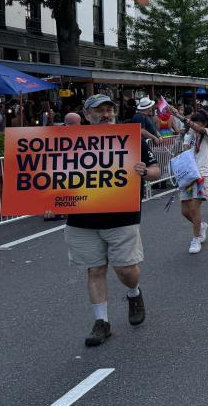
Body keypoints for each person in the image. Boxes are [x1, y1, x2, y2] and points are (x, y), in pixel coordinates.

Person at [66, 95, 160, 347]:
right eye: (100, 110)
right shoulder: (71, 142)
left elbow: (155, 171)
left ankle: (133, 293)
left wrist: (144, 171)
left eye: (109, 109)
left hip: (122, 214)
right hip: (82, 216)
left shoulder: (131, 138)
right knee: (95, 269)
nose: (106, 114)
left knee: (126, 268)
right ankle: (101, 322)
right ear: (87, 115)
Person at [175, 108, 208, 254]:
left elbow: (198, 129)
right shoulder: (190, 134)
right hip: (188, 175)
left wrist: (181, 117)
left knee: (194, 207)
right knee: (185, 211)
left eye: (196, 122)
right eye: (193, 122)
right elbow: (186, 149)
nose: (193, 125)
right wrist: (185, 139)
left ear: (204, 123)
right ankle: (201, 226)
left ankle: (196, 238)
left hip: (202, 175)